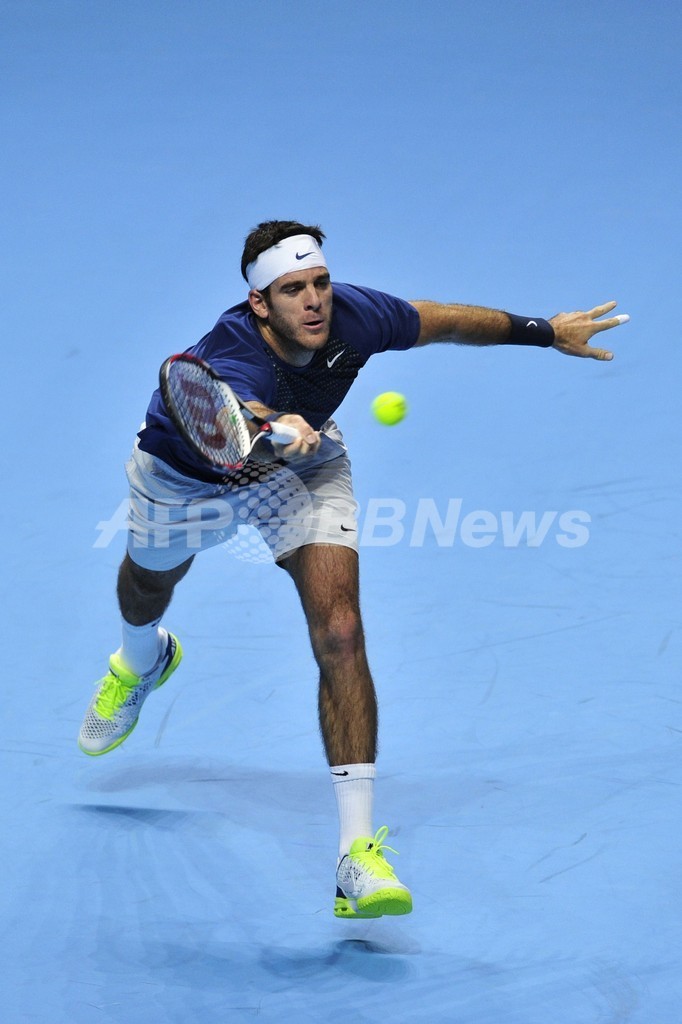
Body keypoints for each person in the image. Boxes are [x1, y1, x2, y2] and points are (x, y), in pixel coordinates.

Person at [78, 220, 629, 919]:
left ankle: (355, 856)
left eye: (320, 283)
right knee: (147, 584)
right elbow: (240, 407)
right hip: (185, 480)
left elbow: (441, 320)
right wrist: (272, 422)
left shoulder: (355, 316)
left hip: (300, 472)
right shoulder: (232, 352)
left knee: (340, 631)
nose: (314, 300)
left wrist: (544, 331)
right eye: (292, 290)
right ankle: (141, 660)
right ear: (259, 303)